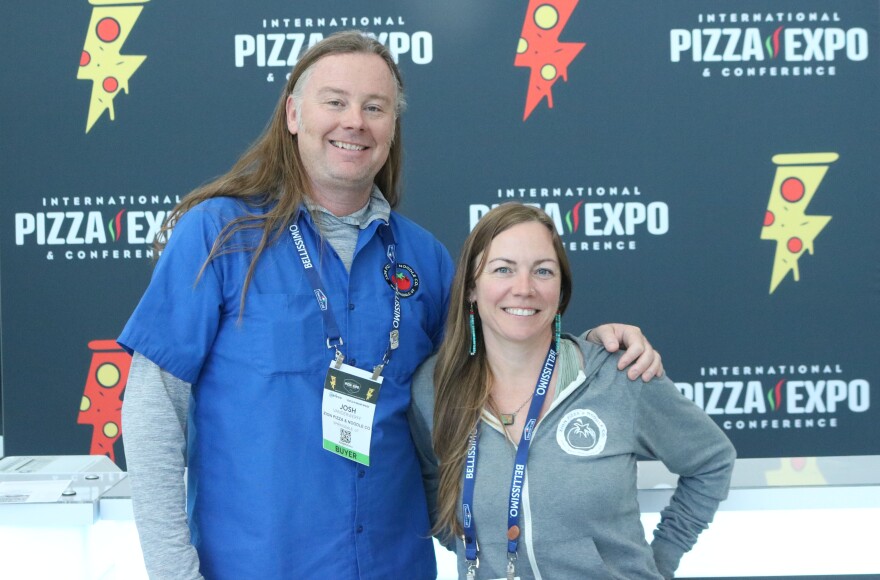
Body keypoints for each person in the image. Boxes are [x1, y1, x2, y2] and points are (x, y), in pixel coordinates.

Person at [118, 31, 664, 579]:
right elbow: (152, 411)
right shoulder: (220, 236)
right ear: (292, 114)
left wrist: (591, 352)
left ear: (391, 128)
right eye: (335, 101)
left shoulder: (424, 258)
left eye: (374, 107)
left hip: (395, 565)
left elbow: (501, 368)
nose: (354, 120)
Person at [409, 203, 736, 579]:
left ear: (560, 289)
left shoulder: (618, 377)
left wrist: (659, 561)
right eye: (503, 269)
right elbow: (432, 482)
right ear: (470, 286)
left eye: (543, 271)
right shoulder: (435, 388)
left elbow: (712, 461)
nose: (524, 289)